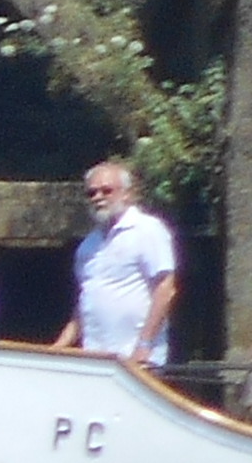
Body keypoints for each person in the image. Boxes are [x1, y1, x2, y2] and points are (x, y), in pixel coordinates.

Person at [68, 158, 179, 370]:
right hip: (95, 359)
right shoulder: (87, 246)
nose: (98, 197)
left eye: (106, 190)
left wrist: (144, 345)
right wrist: (59, 347)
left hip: (137, 359)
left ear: (127, 194)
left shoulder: (148, 230)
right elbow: (85, 304)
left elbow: (165, 289)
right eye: (91, 193)